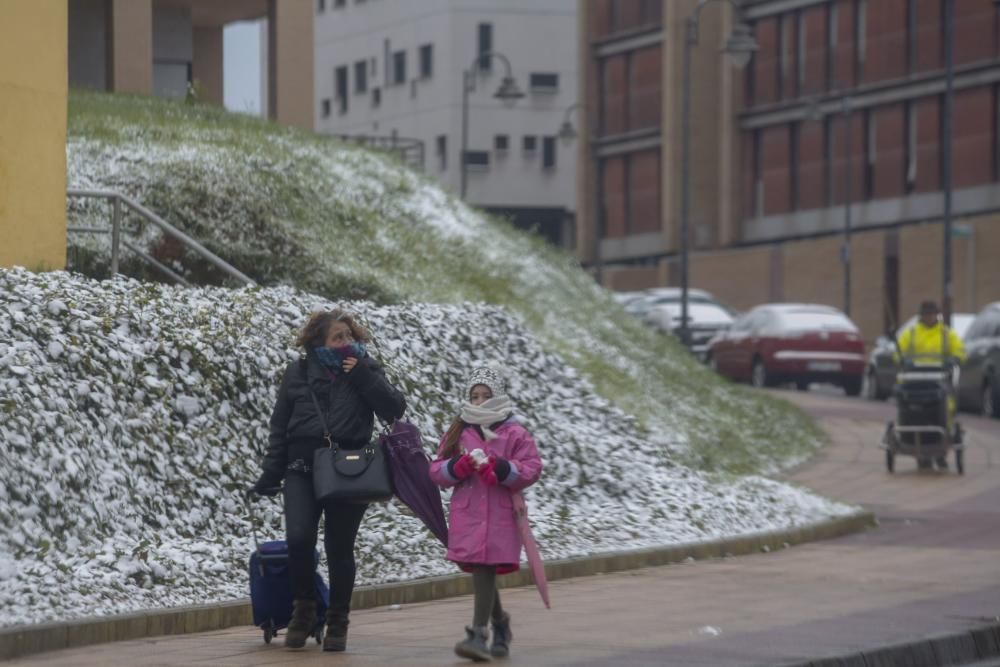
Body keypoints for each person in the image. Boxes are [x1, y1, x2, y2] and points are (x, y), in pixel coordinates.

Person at [249, 309, 406, 651]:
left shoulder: (366, 369)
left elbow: (394, 409)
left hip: (349, 470)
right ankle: (303, 610)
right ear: (319, 341)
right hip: (301, 469)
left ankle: (338, 619)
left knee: (339, 547)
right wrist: (271, 474)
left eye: (349, 337)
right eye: (338, 337)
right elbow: (280, 428)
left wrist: (364, 376)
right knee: (299, 538)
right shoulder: (300, 371)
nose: (346, 343)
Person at [429, 367, 543, 662]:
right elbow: (436, 469)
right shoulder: (460, 430)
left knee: (485, 567)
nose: (479, 402)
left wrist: (502, 469)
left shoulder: (515, 432)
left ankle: (479, 634)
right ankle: (501, 626)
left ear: (499, 397)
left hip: (500, 516)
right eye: (474, 396)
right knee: (483, 569)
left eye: (486, 396)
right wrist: (458, 467)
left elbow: (531, 468)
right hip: (467, 514)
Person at [896, 300, 966, 469]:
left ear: (937, 315)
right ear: (921, 316)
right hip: (914, 380)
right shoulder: (911, 333)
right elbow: (898, 351)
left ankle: (940, 450)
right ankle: (920, 451)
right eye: (926, 314)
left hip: (939, 379)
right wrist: (902, 359)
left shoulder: (946, 334)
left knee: (945, 407)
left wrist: (955, 359)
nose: (929, 317)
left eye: (932, 314)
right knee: (912, 409)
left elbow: (960, 349)